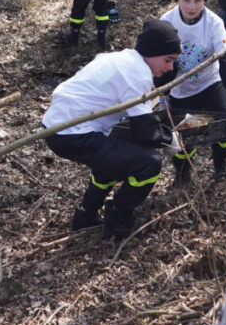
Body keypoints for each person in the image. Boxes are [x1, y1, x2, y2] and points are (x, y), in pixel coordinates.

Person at [42, 19, 182, 240]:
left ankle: (85, 214)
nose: (170, 68)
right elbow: (146, 131)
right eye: (168, 60)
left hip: (57, 125)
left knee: (114, 159)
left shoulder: (120, 58)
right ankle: (118, 216)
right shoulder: (136, 75)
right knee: (149, 163)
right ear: (152, 52)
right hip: (73, 133)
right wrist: (171, 139)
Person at [159, 0, 226, 186]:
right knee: (183, 135)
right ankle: (182, 173)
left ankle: (220, 162)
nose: (192, 6)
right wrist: (162, 93)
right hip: (179, 87)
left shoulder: (214, 23)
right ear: (178, 0)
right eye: (186, 0)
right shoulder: (167, 22)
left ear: (205, 0)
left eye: (198, 0)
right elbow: (157, 62)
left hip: (210, 82)